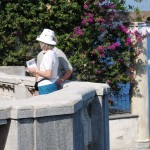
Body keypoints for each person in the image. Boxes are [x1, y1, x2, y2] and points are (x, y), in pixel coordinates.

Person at [28, 29, 59, 95]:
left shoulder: (48, 55)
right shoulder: (53, 53)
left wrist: (35, 71)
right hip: (51, 84)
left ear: (43, 43)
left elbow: (48, 74)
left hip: (46, 86)